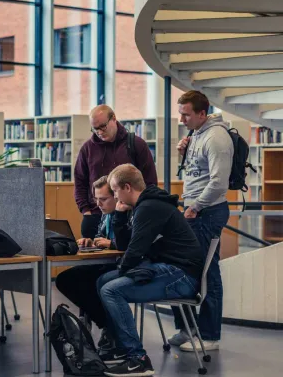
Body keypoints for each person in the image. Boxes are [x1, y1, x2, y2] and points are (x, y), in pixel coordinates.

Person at [96, 164, 203, 377]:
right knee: (103, 281)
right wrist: (119, 215)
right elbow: (124, 246)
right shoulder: (142, 206)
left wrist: (123, 271)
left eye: (115, 190)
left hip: (181, 275)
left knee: (111, 289)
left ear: (127, 187)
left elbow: (134, 251)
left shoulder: (149, 208)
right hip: (167, 268)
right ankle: (120, 345)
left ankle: (138, 359)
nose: (115, 195)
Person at [170, 90, 233, 352]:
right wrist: (181, 151)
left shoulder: (216, 137)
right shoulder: (196, 134)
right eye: (181, 113)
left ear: (201, 114)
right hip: (195, 210)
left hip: (206, 212)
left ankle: (209, 335)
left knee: (208, 272)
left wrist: (194, 207)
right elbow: (195, 173)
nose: (181, 119)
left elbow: (219, 183)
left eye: (186, 114)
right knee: (184, 267)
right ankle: (188, 328)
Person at [55, 175, 127, 352]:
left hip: (123, 266)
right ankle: (107, 324)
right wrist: (91, 241)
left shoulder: (126, 213)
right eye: (96, 199)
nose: (98, 204)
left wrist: (111, 244)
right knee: (66, 279)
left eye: (103, 199)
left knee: (90, 282)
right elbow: (101, 237)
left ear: (116, 196)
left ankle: (111, 327)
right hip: (106, 263)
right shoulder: (106, 216)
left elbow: (130, 243)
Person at [74, 104, 157, 239]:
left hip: (128, 214)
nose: (100, 132)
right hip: (95, 214)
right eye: (95, 129)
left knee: (121, 250)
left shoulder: (136, 144)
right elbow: (80, 181)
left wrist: (139, 210)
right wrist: (86, 211)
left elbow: (150, 182)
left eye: (103, 127)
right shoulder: (87, 148)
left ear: (114, 119)